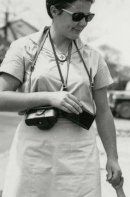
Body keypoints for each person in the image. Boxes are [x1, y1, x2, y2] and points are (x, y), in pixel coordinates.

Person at [0, 0, 122, 196]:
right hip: (34, 150)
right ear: (54, 10)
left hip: (79, 153)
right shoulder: (24, 48)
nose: (83, 23)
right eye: (77, 16)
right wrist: (48, 98)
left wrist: (112, 157)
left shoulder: (93, 57)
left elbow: (104, 111)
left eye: (88, 17)